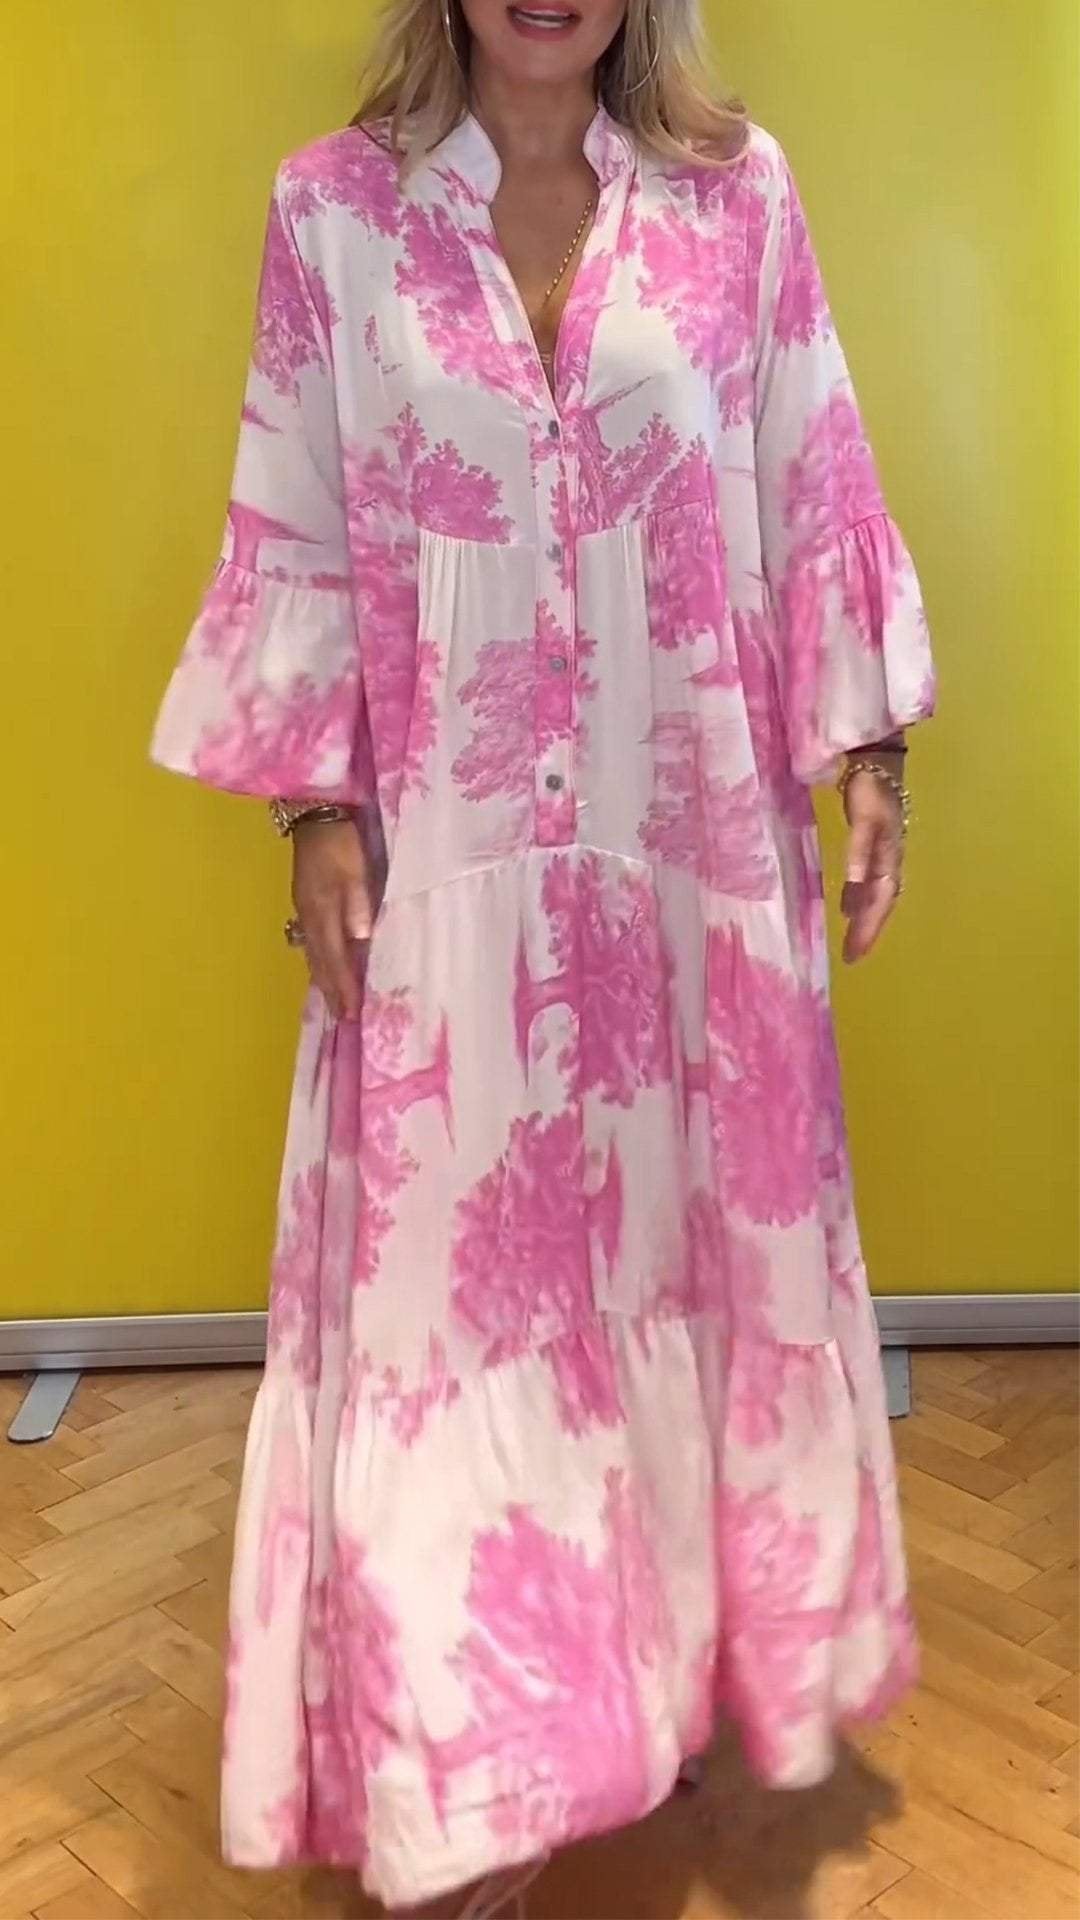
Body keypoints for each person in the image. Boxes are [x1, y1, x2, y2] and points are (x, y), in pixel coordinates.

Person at [151, 1, 935, 1914]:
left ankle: (653, 1684)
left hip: (694, 869)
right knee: (453, 1314)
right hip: (456, 874)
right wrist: (312, 807)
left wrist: (874, 759)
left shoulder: (739, 201)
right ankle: (470, 1772)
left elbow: (813, 471)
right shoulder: (335, 213)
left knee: (681, 1275)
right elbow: (296, 521)